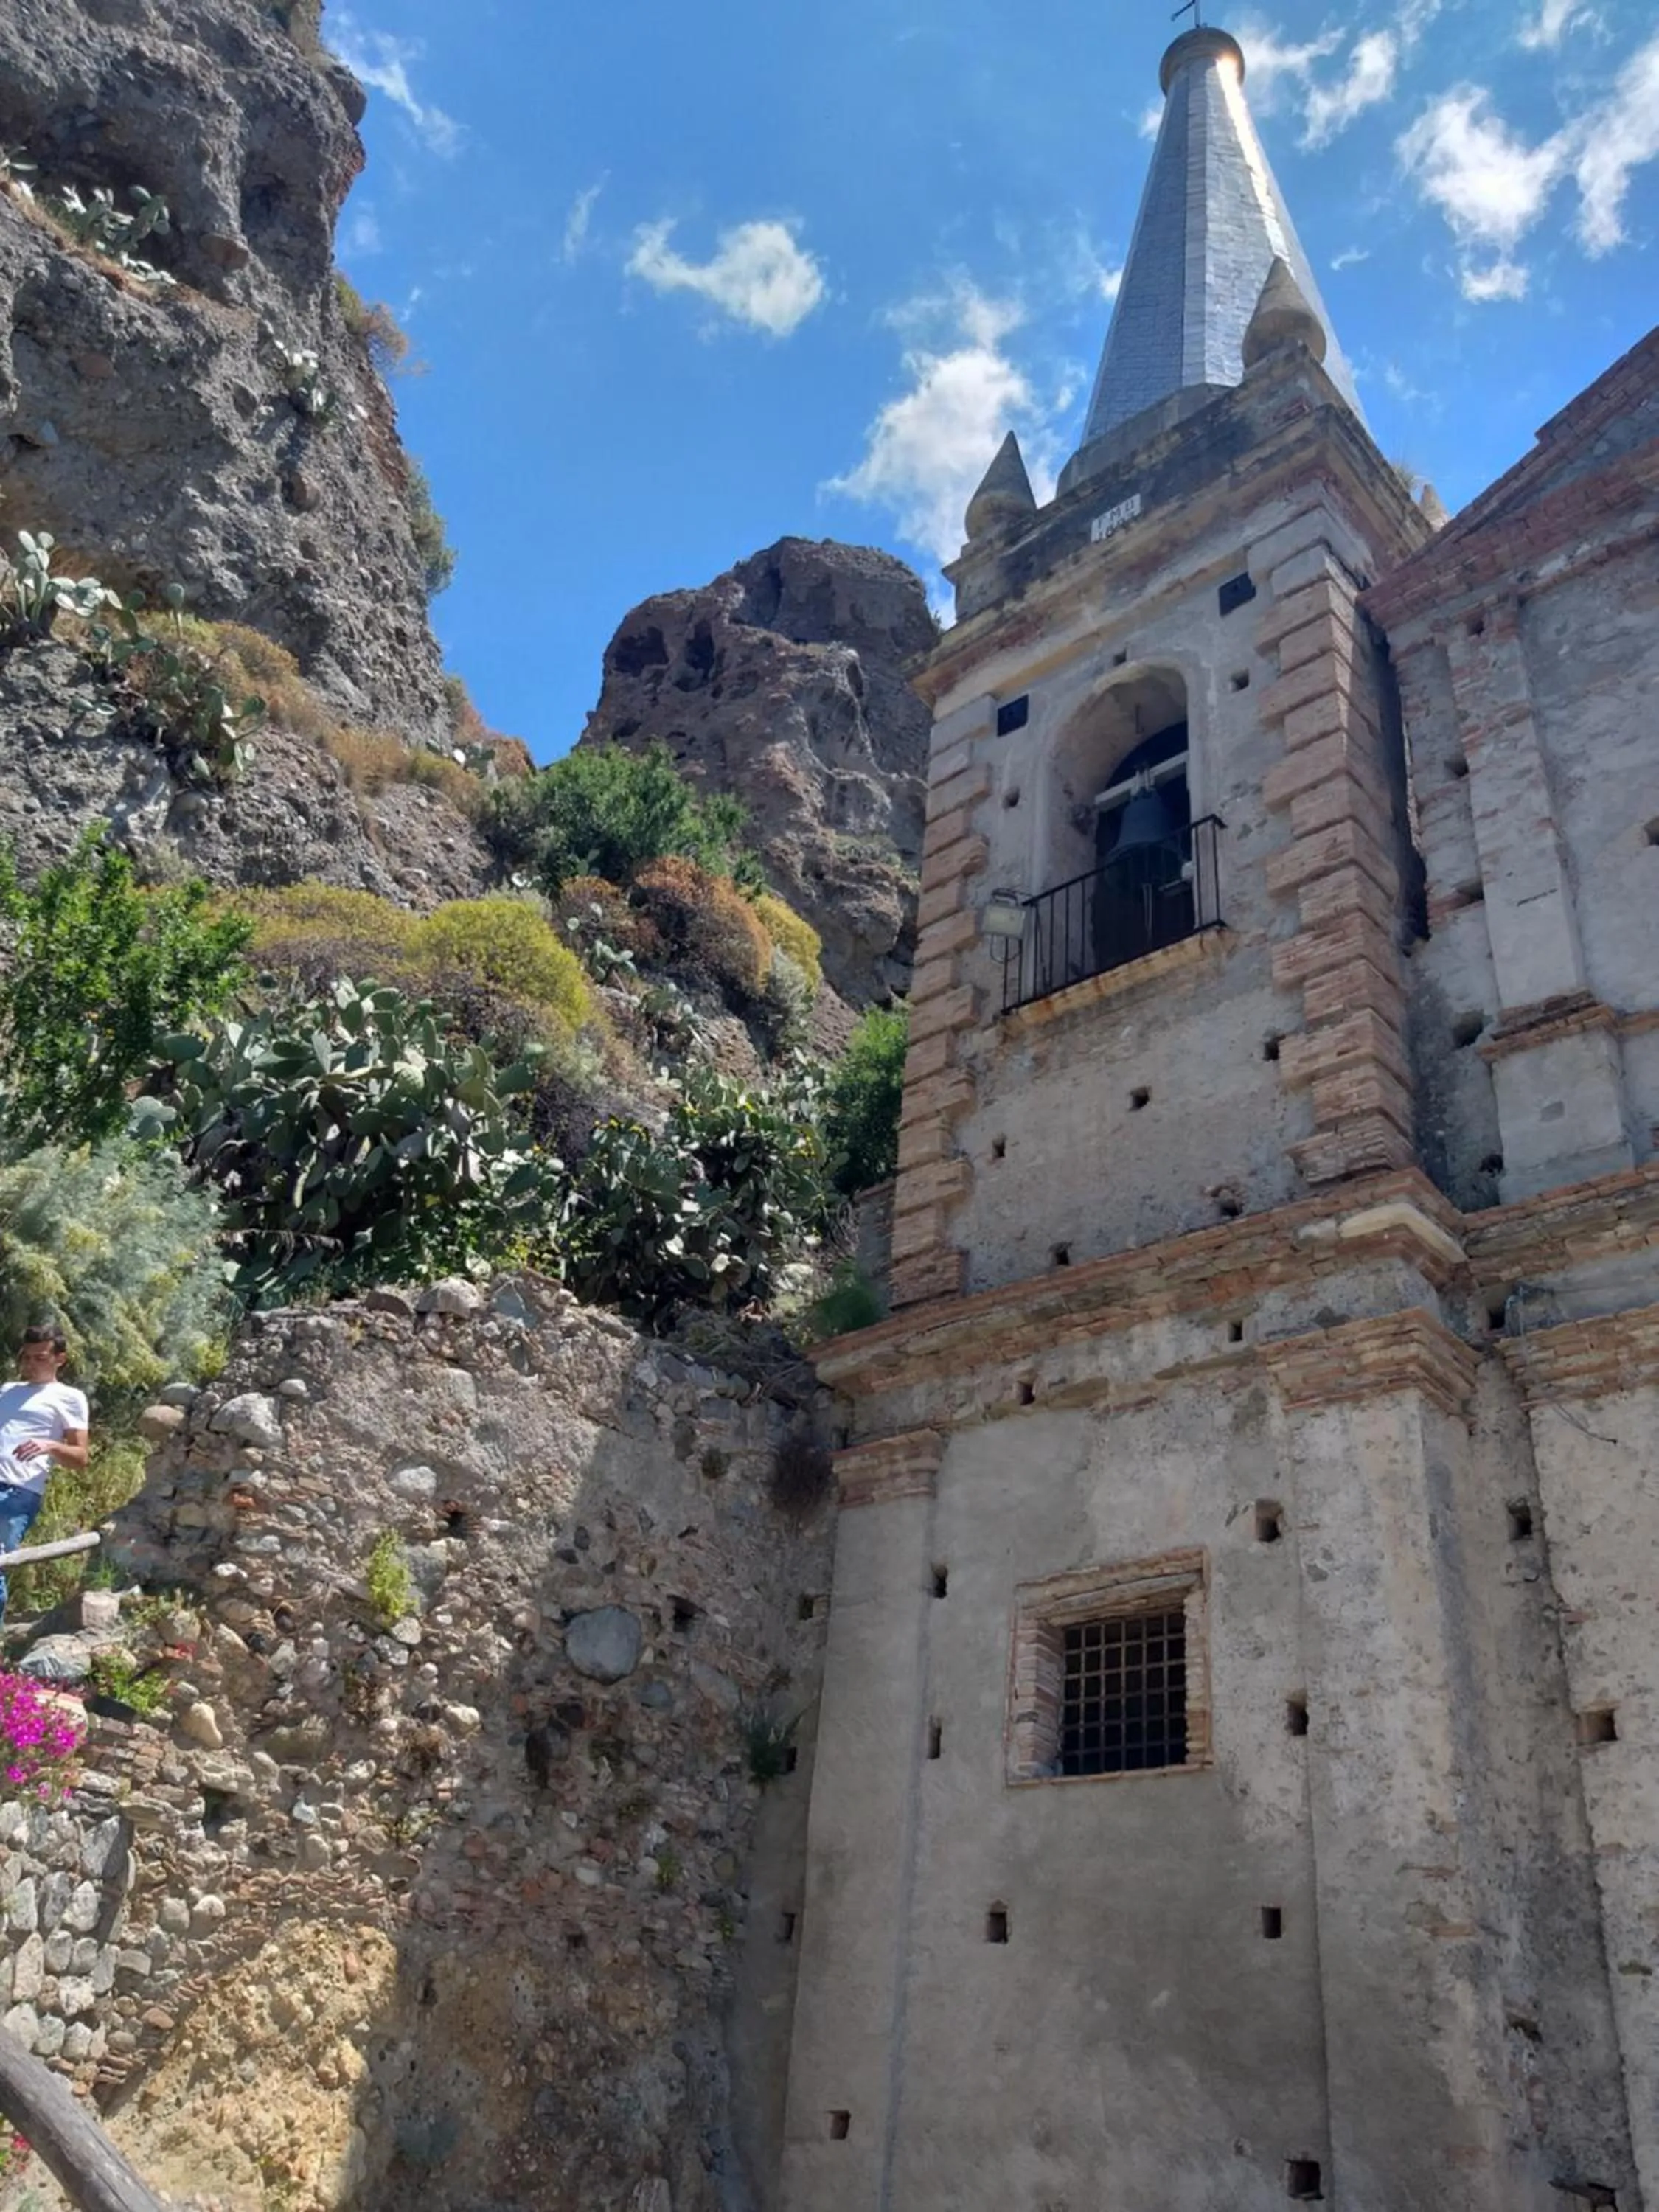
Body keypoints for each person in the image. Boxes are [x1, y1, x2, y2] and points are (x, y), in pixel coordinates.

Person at [0, 1326, 89, 1623]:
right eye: (26, 1358)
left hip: (16, 1491)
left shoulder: (70, 1397)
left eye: (39, 1358)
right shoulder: (7, 1391)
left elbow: (80, 1457)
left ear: (59, 1359)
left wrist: (50, 1445)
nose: (30, 1364)